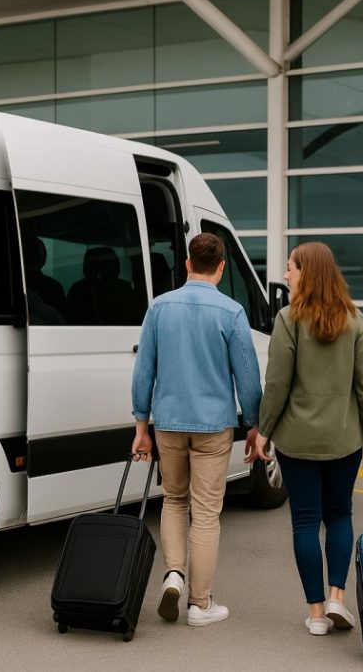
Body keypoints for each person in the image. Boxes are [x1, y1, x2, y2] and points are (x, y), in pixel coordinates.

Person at [246, 242, 363, 636]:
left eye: (291, 267)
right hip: (344, 440)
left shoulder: (288, 319)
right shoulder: (355, 319)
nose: (286, 274)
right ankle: (336, 597)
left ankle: (315, 614)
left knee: (306, 522)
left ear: (306, 272)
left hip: (297, 442)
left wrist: (263, 431)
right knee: (340, 515)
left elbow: (276, 384)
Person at [130, 233, 262, 627]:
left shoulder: (159, 308)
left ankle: (174, 574)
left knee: (174, 500)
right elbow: (248, 377)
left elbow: (143, 372)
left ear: (187, 264)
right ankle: (200, 605)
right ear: (221, 268)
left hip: (169, 423)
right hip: (213, 426)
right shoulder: (231, 312)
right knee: (205, 512)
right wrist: (254, 425)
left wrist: (141, 426)